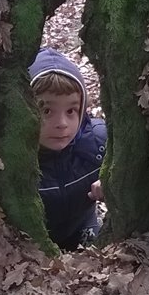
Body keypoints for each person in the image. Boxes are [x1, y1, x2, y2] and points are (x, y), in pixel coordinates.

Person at [29, 46, 107, 250]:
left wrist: (111, 182)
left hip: (82, 227)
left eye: (71, 110)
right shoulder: (11, 158)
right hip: (32, 242)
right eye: (47, 111)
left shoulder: (98, 142)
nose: (62, 124)